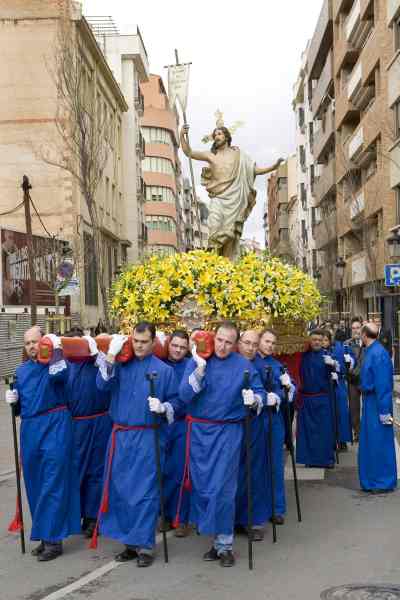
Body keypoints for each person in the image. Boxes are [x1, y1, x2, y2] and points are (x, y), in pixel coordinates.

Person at [179, 321, 265, 567]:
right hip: (199, 434)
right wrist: (199, 371)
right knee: (204, 488)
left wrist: (254, 398)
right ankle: (216, 542)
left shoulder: (244, 365)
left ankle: (225, 544)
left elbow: (258, 392)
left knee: (223, 489)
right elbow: (184, 395)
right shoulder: (197, 360)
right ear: (213, 338)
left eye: (229, 342)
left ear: (236, 343)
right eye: (220, 340)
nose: (223, 346)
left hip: (228, 432)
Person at [94, 321, 180, 567]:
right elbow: (101, 386)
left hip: (148, 436)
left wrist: (164, 408)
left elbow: (177, 402)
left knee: (146, 492)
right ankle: (129, 544)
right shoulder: (120, 365)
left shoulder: (164, 371)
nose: (139, 346)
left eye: (144, 342)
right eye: (136, 341)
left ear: (153, 342)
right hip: (121, 436)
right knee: (121, 490)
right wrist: (110, 356)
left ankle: (144, 546)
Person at [5, 327, 80, 561]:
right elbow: (19, 409)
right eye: (27, 343)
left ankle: (53, 539)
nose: (31, 347)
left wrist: (56, 349)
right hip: (30, 429)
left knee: (52, 482)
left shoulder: (56, 365)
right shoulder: (21, 371)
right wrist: (13, 402)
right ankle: (45, 534)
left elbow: (61, 376)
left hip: (55, 425)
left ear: (44, 342)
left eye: (35, 342)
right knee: (35, 482)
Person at [180, 120, 283, 259]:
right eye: (215, 134)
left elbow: (253, 170)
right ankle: (213, 261)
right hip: (218, 198)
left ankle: (227, 264)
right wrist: (182, 135)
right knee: (214, 227)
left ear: (226, 137)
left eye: (220, 134)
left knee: (230, 234)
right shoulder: (211, 155)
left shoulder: (239, 156)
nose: (217, 136)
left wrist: (273, 167)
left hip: (235, 199)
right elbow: (189, 152)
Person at [66, 333, 112, 538]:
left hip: (100, 421)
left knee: (96, 471)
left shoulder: (97, 360)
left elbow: (110, 376)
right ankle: (77, 514)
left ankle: (93, 518)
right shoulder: (63, 364)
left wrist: (97, 354)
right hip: (74, 425)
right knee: (76, 471)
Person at [254, 329, 295, 526]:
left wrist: (286, 389)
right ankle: (257, 507)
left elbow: (289, 391)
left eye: (273, 342)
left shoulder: (278, 365)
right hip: (255, 419)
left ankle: (276, 508)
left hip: (274, 418)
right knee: (256, 464)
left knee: (275, 464)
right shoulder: (249, 361)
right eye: (266, 341)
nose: (269, 345)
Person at [235, 329, 268, 541]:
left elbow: (262, 393)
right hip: (228, 427)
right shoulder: (227, 361)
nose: (250, 348)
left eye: (254, 344)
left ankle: (250, 519)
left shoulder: (259, 366)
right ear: (239, 343)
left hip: (252, 425)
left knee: (252, 474)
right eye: (247, 343)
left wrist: (257, 399)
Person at [358, 322, 397, 493]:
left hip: (376, 403)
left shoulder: (378, 353)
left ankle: (381, 481)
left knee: (377, 442)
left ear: (365, 335)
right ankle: (373, 479)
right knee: (371, 442)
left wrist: (384, 411)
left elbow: (383, 385)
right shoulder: (374, 351)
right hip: (371, 401)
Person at [162, 330, 191, 537]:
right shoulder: (158, 364)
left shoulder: (191, 366)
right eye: (175, 346)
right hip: (161, 425)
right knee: (161, 470)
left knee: (180, 471)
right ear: (168, 344)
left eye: (182, 347)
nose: (178, 350)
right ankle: (163, 514)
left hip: (182, 425)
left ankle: (180, 517)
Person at [296, 329, 336, 469]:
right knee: (308, 432)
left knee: (324, 431)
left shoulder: (327, 357)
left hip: (323, 398)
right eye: (314, 340)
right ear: (310, 341)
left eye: (320, 340)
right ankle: (309, 459)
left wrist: (334, 366)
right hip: (307, 399)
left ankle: (325, 459)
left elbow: (338, 372)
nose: (317, 342)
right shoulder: (303, 356)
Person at [321, 330, 353, 451]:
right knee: (330, 414)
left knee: (342, 412)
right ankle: (332, 440)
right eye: (322, 340)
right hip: (326, 386)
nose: (324, 343)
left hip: (338, 384)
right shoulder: (319, 353)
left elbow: (346, 366)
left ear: (330, 341)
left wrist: (345, 363)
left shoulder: (337, 349)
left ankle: (342, 439)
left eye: (326, 340)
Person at [344, 317, 364, 442]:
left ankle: (367, 430)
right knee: (354, 407)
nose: (356, 330)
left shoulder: (368, 342)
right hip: (352, 380)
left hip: (366, 380)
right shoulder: (347, 344)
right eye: (353, 328)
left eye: (358, 327)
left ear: (362, 328)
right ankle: (357, 432)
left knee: (367, 407)